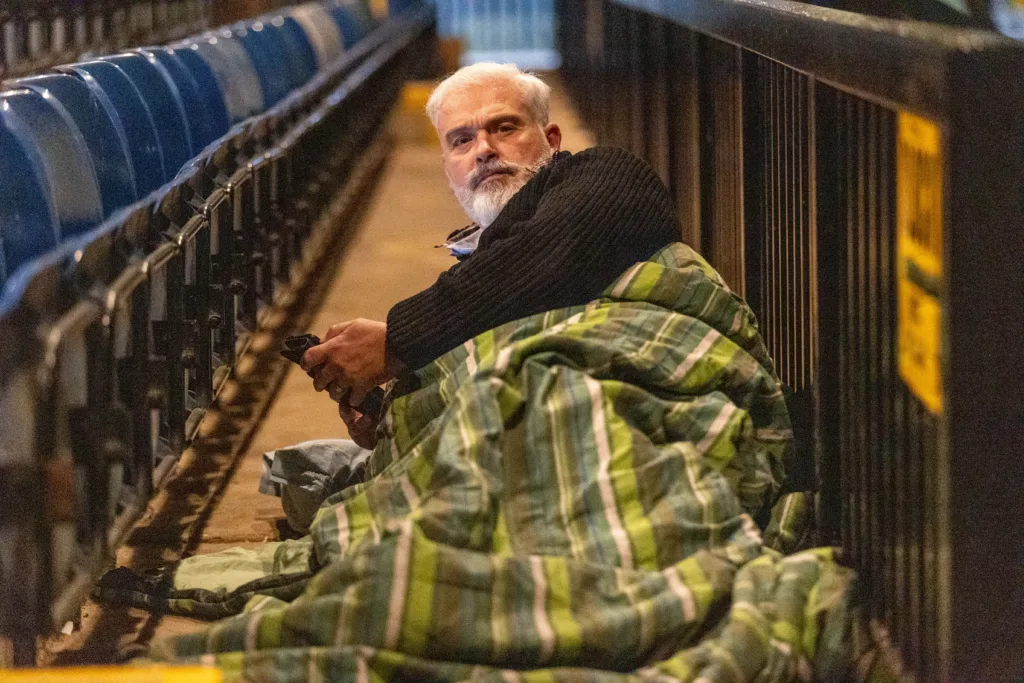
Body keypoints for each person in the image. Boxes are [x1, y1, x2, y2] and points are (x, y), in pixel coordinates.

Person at [300, 62, 681, 448]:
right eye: (461, 141)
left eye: (504, 128)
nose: (483, 150)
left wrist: (396, 343)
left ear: (551, 140)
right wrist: (402, 415)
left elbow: (543, 260)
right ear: (449, 172)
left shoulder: (610, 174)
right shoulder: (483, 262)